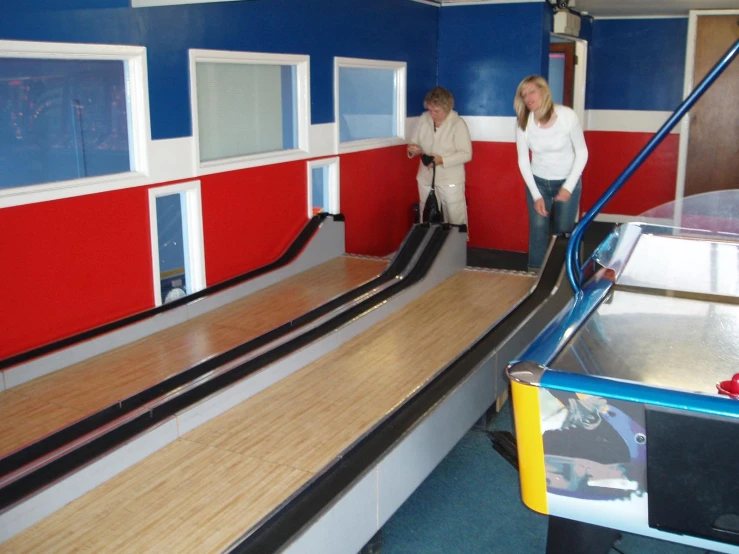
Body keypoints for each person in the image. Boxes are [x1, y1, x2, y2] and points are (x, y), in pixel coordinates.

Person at [514, 75, 588, 272]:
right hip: (538, 182)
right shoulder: (523, 121)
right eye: (524, 95)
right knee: (538, 230)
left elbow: (582, 152)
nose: (528, 97)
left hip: (567, 180)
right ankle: (535, 274)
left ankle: (562, 273)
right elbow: (523, 160)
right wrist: (536, 195)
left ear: (544, 91)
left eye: (532, 92)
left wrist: (568, 187)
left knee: (562, 232)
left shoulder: (566, 115)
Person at [407, 87, 472, 226]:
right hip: (425, 177)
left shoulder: (458, 124)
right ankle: (429, 246)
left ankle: (457, 246)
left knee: (455, 218)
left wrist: (442, 160)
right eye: (430, 110)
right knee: (426, 217)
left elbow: (466, 154)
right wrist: (413, 149)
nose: (432, 114)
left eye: (436, 111)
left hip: (450, 178)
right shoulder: (423, 119)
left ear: (447, 108)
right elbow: (413, 142)